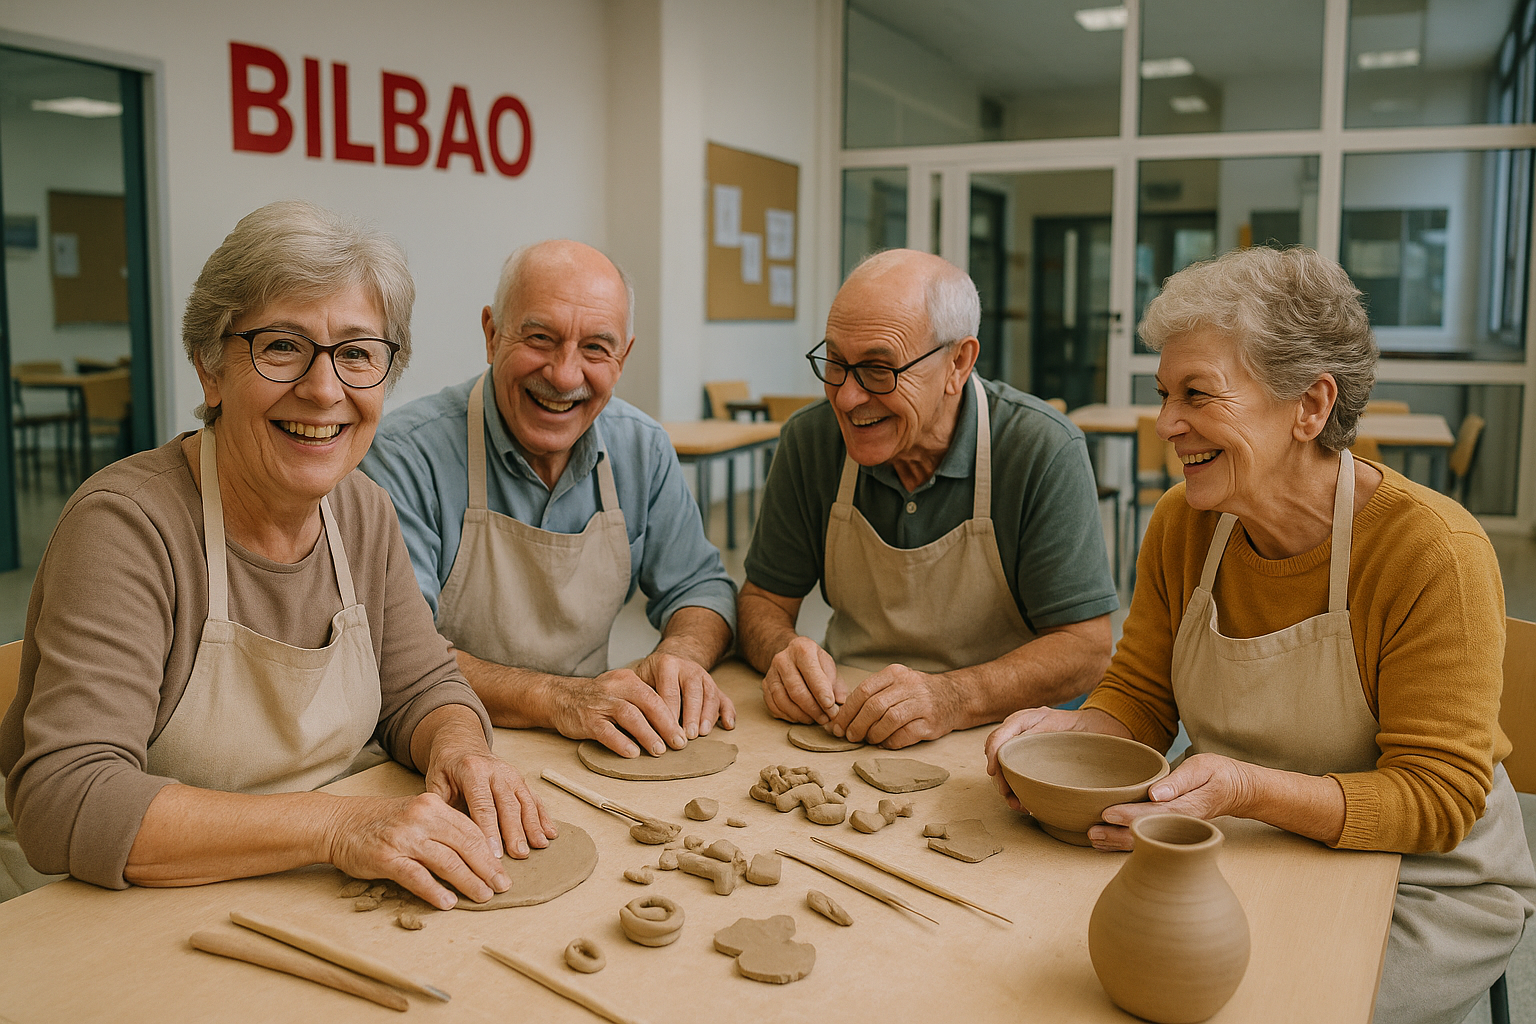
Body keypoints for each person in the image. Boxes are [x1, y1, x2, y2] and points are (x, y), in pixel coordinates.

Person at [984, 246, 1536, 1024]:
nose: (1168, 423)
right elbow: (1141, 695)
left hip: (1424, 881)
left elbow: (1437, 798)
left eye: (1198, 395)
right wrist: (1070, 739)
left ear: (1309, 407)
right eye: (1165, 392)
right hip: (1240, 844)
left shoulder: (1430, 553)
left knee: (1235, 1000)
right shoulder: (1183, 524)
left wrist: (1248, 790)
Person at [0, 201, 553, 908]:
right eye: (282, 346)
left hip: (293, 891)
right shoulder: (128, 527)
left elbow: (422, 688)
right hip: (108, 914)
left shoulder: (363, 510)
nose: (324, 390)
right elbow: (68, 799)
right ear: (209, 367)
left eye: (357, 354)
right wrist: (337, 827)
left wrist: (461, 749)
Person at [362, 240, 737, 760]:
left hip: (595, 741)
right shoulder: (406, 456)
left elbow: (702, 587)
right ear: (492, 335)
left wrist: (682, 655)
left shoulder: (641, 448)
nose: (564, 376)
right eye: (541, 339)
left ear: (623, 357)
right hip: (450, 742)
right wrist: (558, 699)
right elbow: (399, 656)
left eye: (595, 349)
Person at [738, 249, 1118, 748]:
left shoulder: (1039, 449)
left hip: (1001, 729)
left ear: (958, 363)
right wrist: (783, 652)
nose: (847, 398)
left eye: (879, 369)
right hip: (849, 713)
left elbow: (1085, 649)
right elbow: (762, 600)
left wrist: (954, 697)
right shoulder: (810, 441)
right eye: (835, 363)